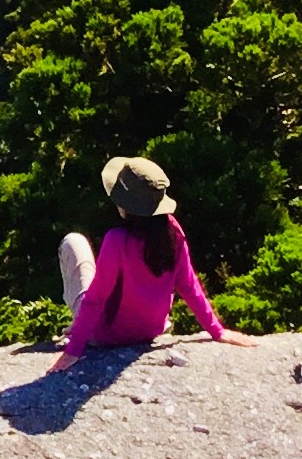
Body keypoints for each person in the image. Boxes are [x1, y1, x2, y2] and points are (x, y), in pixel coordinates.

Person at [52, 154, 256, 367]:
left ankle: (79, 325)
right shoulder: (172, 232)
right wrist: (217, 330)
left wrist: (73, 350)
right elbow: (188, 285)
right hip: (152, 330)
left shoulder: (117, 240)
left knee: (73, 242)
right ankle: (81, 326)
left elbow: (96, 299)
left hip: (108, 335)